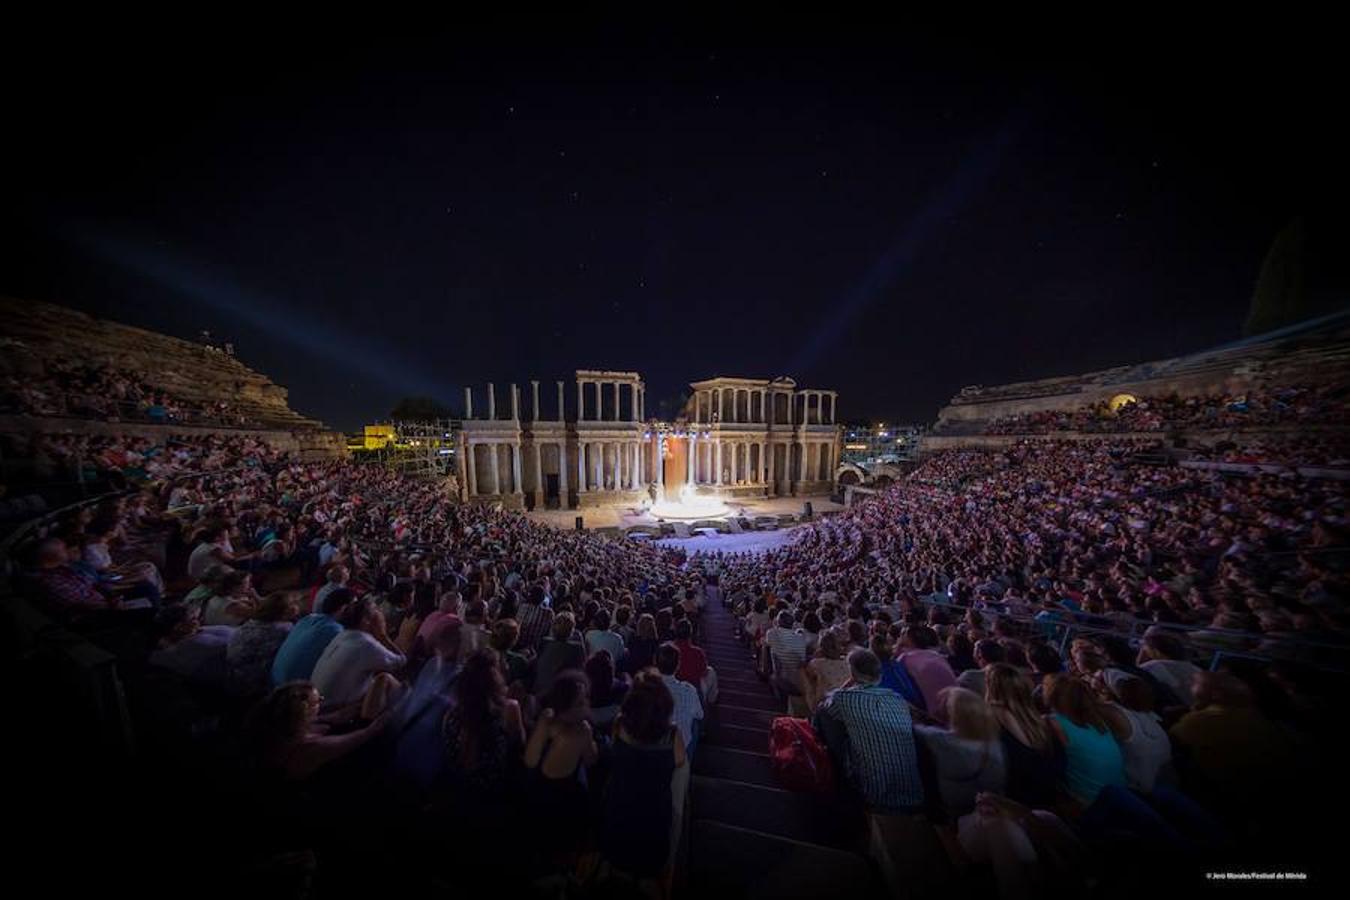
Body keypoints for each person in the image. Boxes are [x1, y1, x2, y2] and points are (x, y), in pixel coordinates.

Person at [599, 672, 687, 882]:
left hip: (615, 826)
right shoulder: (672, 735)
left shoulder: (620, 725)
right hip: (653, 830)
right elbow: (680, 761)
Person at [814, 649, 924, 812]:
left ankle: (825, 769)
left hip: (872, 793)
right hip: (914, 794)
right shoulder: (897, 699)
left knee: (824, 715)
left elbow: (821, 707)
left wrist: (847, 684)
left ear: (852, 672)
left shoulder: (844, 698)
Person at [248, 682, 391, 782]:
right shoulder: (309, 750)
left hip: (346, 740)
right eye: (318, 701)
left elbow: (338, 716)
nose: (322, 700)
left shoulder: (293, 725)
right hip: (351, 765)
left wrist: (361, 703)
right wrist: (397, 707)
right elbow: (367, 733)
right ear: (303, 713)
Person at [524, 669, 599, 859]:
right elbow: (591, 761)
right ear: (569, 705)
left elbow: (530, 761)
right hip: (566, 797)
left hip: (538, 794)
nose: (587, 705)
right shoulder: (583, 730)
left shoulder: (547, 719)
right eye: (581, 702)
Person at [914, 687, 1008, 821]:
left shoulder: (941, 741)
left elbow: (914, 729)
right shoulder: (996, 744)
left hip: (955, 816)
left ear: (954, 714)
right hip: (994, 813)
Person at [984, 664, 1063, 809]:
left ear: (992, 688)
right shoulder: (1040, 722)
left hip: (1018, 803)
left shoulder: (993, 714)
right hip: (1048, 799)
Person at [310, 597, 406, 714]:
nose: (380, 614)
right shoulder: (365, 644)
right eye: (376, 611)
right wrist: (382, 635)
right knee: (387, 679)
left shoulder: (342, 635)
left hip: (319, 702)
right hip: (333, 710)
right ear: (365, 620)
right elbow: (401, 662)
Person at [271, 587, 352, 686]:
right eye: (355, 606)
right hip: (294, 691)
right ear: (343, 608)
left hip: (274, 681)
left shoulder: (309, 618)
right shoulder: (335, 630)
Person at [226, 592, 296, 698]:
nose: (296, 605)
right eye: (293, 603)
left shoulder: (253, 621)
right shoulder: (281, 629)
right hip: (250, 679)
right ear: (286, 611)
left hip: (232, 670)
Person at [148, 604, 234, 689]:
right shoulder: (198, 644)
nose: (197, 621)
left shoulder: (194, 633)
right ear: (179, 627)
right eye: (193, 619)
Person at [897, 625, 957, 721]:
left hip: (928, 716)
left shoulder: (906, 658)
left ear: (910, 640)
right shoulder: (938, 657)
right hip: (952, 711)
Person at [656, 642, 703, 758]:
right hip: (679, 750)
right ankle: (685, 764)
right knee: (695, 724)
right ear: (678, 665)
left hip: (650, 746)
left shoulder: (645, 687)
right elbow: (700, 715)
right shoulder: (690, 690)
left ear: (655, 662)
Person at [533, 612, 587, 698]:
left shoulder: (544, 641)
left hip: (540, 690)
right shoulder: (577, 648)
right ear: (572, 630)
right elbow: (581, 670)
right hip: (561, 695)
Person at [802, 629, 852, 712]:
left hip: (826, 706)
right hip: (848, 703)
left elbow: (807, 674)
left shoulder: (816, 664)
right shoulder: (848, 662)